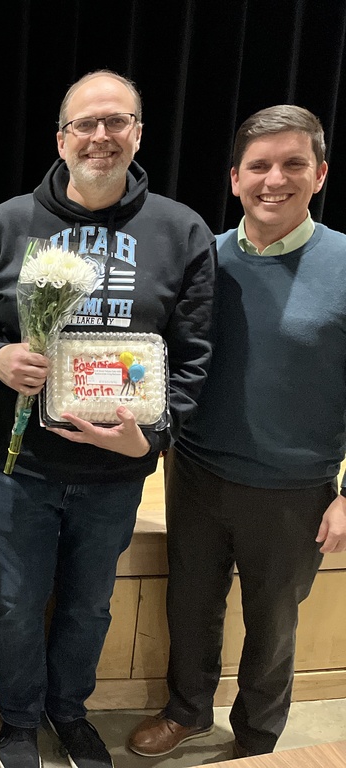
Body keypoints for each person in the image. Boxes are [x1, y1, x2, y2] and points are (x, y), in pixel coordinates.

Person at [0, 71, 215, 768]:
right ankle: (18, 721)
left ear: (138, 133)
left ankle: (68, 712)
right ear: (61, 138)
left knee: (90, 607)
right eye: (86, 124)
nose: (101, 136)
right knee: (17, 604)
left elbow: (194, 358)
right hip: (20, 465)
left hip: (117, 468)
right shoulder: (9, 222)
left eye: (117, 122)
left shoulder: (180, 229)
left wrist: (154, 438)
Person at [127, 105, 346, 761]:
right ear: (234, 178)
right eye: (259, 165)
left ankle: (257, 738)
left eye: (292, 164)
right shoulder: (205, 261)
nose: (273, 179)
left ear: (320, 173)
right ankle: (188, 711)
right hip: (194, 472)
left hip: (294, 488)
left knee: (272, 625)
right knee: (191, 606)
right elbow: (162, 356)